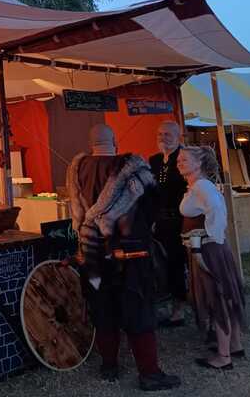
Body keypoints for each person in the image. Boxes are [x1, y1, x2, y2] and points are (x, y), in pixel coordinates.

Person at [67, 124, 181, 391]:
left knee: (102, 306)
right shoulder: (135, 167)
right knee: (138, 309)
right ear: (115, 141)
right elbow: (153, 205)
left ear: (91, 143)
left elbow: (77, 213)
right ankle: (149, 374)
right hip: (131, 253)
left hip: (93, 252)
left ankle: (109, 366)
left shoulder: (77, 168)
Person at [177, 146, 245, 370]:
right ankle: (234, 345)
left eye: (185, 159)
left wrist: (211, 235)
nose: (179, 162)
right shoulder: (196, 186)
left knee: (217, 296)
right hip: (209, 247)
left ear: (199, 163)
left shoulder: (202, 186)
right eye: (178, 159)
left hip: (209, 250)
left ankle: (224, 357)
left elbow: (216, 209)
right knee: (224, 294)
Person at [149, 121, 189, 327]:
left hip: (180, 220)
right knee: (161, 264)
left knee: (176, 264)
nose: (162, 137)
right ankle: (166, 302)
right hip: (159, 222)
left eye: (167, 134)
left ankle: (179, 309)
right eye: (159, 134)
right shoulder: (154, 160)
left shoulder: (185, 157)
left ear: (178, 137)